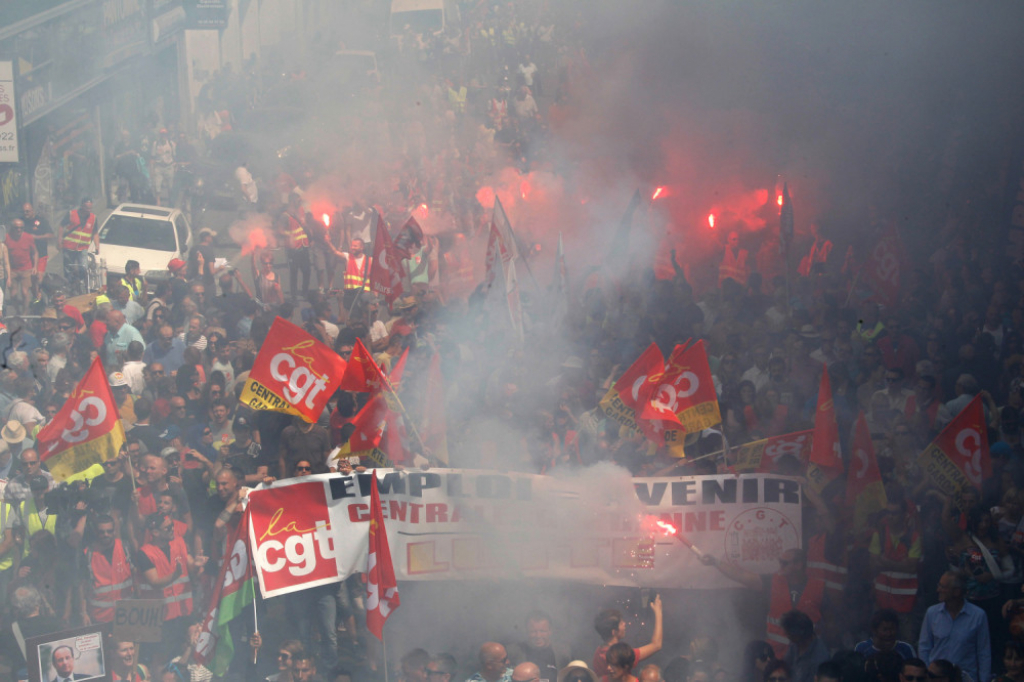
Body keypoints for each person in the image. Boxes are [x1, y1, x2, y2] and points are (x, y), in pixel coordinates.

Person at [702, 548, 824, 657]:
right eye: (779, 561)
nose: (780, 565)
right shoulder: (773, 582)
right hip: (777, 657)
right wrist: (715, 562)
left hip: (808, 655)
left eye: (785, 563)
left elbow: (829, 622)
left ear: (799, 565)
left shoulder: (819, 588)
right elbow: (742, 576)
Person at [918, 570, 991, 682]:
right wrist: (928, 675)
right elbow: (924, 647)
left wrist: (984, 680)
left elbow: (983, 653)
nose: (938, 590)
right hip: (936, 678)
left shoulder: (978, 616)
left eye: (943, 587)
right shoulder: (931, 613)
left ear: (957, 591)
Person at [79, 514, 134, 624]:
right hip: (100, 617)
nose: (106, 534)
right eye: (102, 532)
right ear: (96, 532)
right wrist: (83, 613)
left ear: (114, 531)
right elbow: (82, 586)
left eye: (109, 531)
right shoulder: (87, 554)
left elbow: (136, 577)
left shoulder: (125, 548)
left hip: (127, 615)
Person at [591, 595, 663, 676]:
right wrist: (658, 612)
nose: (625, 624)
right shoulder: (621, 656)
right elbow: (656, 645)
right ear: (614, 632)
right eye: (621, 623)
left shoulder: (598, 652)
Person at [508, 610, 571, 682]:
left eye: (542, 631)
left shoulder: (563, 653)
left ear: (550, 631)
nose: (538, 636)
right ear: (526, 631)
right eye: (533, 631)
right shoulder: (514, 652)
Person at [59, 198, 99, 290]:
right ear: (82, 206)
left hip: (83, 248)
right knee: (68, 268)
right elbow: (61, 226)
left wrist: (97, 246)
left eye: (90, 208)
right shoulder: (71, 214)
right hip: (69, 247)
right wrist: (59, 240)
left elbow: (95, 233)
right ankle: (69, 286)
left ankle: (80, 284)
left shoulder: (93, 218)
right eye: (87, 207)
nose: (88, 210)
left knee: (84, 268)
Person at [780, 611, 829, 682]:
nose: (788, 638)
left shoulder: (819, 658)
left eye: (790, 636)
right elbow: (783, 667)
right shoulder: (795, 645)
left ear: (800, 633)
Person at [4, 219, 36, 311]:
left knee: (25, 293)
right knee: (13, 294)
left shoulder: (28, 237)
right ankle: (18, 312)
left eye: (21, 228)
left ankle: (25, 314)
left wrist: (35, 267)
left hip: (26, 268)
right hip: (13, 270)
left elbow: (35, 253)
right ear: (12, 228)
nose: (19, 230)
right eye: (16, 228)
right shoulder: (6, 238)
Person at [22, 203, 53, 292]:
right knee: (31, 279)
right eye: (24, 212)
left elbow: (51, 235)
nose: (25, 213)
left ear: (33, 211)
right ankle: (36, 297)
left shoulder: (42, 221)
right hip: (27, 256)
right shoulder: (21, 222)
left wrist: (37, 237)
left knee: (39, 277)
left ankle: (42, 294)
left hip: (41, 254)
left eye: (27, 211)